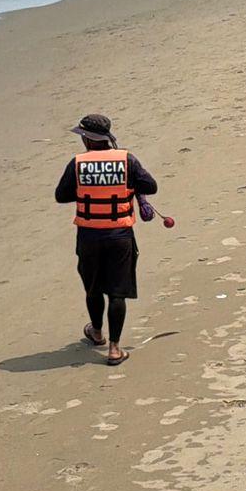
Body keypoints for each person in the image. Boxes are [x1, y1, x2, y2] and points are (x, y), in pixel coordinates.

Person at [54, 114, 159, 365]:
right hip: (119, 236)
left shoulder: (77, 163)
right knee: (116, 292)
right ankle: (114, 349)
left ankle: (97, 332)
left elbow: (61, 195)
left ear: (87, 140)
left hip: (89, 236)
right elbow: (150, 186)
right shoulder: (127, 160)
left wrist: (89, 190)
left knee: (92, 288)